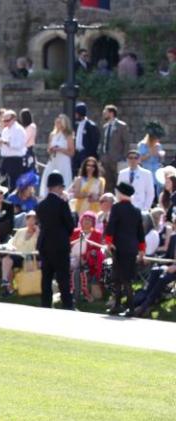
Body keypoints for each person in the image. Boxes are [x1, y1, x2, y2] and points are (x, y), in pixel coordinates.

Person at [104, 182, 146, 315]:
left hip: (119, 247)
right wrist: (142, 249)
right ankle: (119, 305)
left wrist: (109, 242)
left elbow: (111, 227)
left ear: (120, 193)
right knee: (124, 277)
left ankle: (129, 308)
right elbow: (140, 232)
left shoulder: (116, 208)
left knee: (120, 278)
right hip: (132, 248)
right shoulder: (136, 210)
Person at [35, 171, 75, 310]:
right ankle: (67, 305)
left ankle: (46, 304)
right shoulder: (62, 204)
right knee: (63, 277)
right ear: (58, 187)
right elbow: (71, 225)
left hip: (45, 244)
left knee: (46, 277)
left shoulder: (41, 205)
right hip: (60, 245)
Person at [69, 212, 105, 302]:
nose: (86, 222)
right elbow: (68, 246)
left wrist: (84, 257)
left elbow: (96, 249)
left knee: (76, 272)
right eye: (85, 220)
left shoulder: (97, 234)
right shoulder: (75, 232)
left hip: (87, 260)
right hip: (71, 257)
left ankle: (76, 296)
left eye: (89, 220)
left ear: (93, 222)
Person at [0, 211, 39, 296]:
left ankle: (6, 283)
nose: (31, 222)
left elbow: (39, 247)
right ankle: (7, 284)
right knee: (6, 258)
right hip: (16, 254)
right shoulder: (20, 231)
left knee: (7, 259)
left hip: (29, 257)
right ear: (26, 221)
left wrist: (37, 232)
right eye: (29, 220)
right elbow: (12, 244)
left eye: (33, 220)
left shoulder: (38, 233)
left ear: (36, 221)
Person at [40, 113, 75, 199]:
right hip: (53, 160)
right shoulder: (52, 134)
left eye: (60, 122)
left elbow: (71, 152)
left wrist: (60, 149)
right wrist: (51, 149)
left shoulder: (68, 135)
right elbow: (48, 149)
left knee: (63, 179)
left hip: (63, 160)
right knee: (47, 176)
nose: (58, 123)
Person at [0, 109, 27, 188]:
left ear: (14, 119)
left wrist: (5, 142)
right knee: (3, 183)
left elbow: (19, 145)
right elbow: (3, 146)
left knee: (14, 184)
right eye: (4, 120)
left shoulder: (19, 130)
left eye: (7, 120)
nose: (5, 122)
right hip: (5, 159)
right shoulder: (5, 130)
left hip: (15, 160)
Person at [99, 105, 129, 187]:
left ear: (111, 113)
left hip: (117, 159)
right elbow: (103, 142)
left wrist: (123, 157)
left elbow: (126, 142)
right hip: (105, 159)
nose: (104, 114)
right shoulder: (105, 127)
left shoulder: (122, 126)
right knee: (107, 182)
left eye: (105, 112)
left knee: (118, 181)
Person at [137, 122, 166, 195]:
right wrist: (149, 154)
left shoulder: (158, 145)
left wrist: (160, 156)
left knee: (157, 189)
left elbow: (161, 161)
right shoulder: (142, 145)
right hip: (146, 170)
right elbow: (139, 159)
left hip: (156, 171)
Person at [73, 103, 100, 175]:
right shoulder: (76, 125)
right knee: (75, 173)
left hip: (85, 154)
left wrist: (89, 154)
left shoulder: (91, 126)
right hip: (77, 154)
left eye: (76, 113)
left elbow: (94, 143)